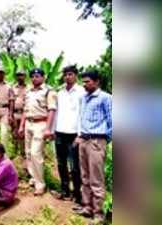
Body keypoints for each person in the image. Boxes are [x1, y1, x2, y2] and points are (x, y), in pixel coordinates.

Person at [74, 71, 112, 224]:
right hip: (83, 140)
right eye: (83, 82)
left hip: (97, 140)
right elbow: (81, 119)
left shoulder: (106, 98)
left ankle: (98, 214)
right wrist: (80, 135)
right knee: (85, 177)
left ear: (97, 82)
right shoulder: (83, 98)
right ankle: (87, 206)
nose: (84, 84)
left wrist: (103, 139)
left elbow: (113, 120)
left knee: (96, 179)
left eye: (87, 82)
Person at [18, 68, 57, 196]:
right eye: (33, 76)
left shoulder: (48, 91)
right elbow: (25, 110)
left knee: (36, 153)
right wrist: (21, 126)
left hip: (40, 123)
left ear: (43, 77)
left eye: (37, 76)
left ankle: (40, 184)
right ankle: (33, 177)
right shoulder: (29, 92)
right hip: (28, 123)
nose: (35, 78)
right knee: (28, 153)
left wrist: (48, 128)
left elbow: (52, 110)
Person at [52, 65, 85, 204]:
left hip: (73, 134)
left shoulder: (82, 92)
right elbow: (56, 113)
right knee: (61, 163)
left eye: (70, 74)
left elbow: (83, 114)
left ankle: (77, 194)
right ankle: (64, 190)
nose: (67, 77)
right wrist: (54, 130)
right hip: (60, 132)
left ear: (76, 75)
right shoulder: (60, 93)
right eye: (65, 74)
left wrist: (80, 134)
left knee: (75, 166)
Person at [11, 69, 27, 155]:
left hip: (24, 113)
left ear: (25, 76)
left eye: (22, 75)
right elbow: (10, 101)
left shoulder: (28, 88)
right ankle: (14, 151)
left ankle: (23, 152)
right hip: (15, 113)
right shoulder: (12, 88)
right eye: (18, 75)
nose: (20, 77)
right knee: (14, 132)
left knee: (23, 133)